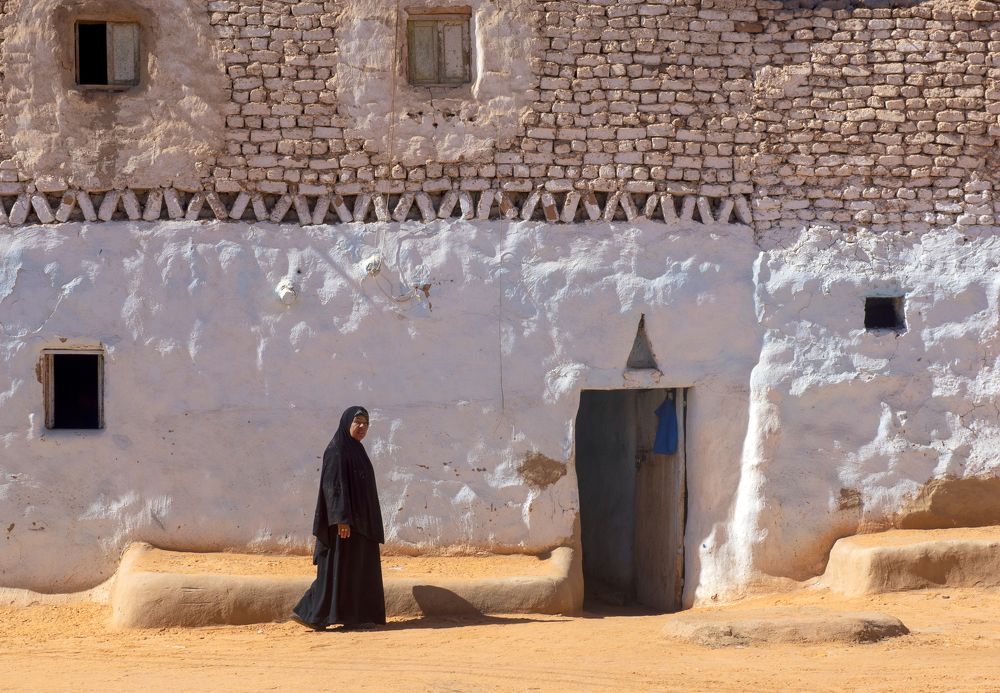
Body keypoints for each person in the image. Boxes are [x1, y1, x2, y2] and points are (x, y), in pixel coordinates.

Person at [291, 406, 386, 630]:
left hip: (361, 525)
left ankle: (353, 617)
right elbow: (332, 487)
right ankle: (312, 614)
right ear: (346, 424)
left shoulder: (357, 450)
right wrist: (341, 518)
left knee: (355, 570)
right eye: (358, 422)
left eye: (366, 423)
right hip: (345, 525)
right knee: (337, 570)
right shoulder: (337, 450)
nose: (362, 427)